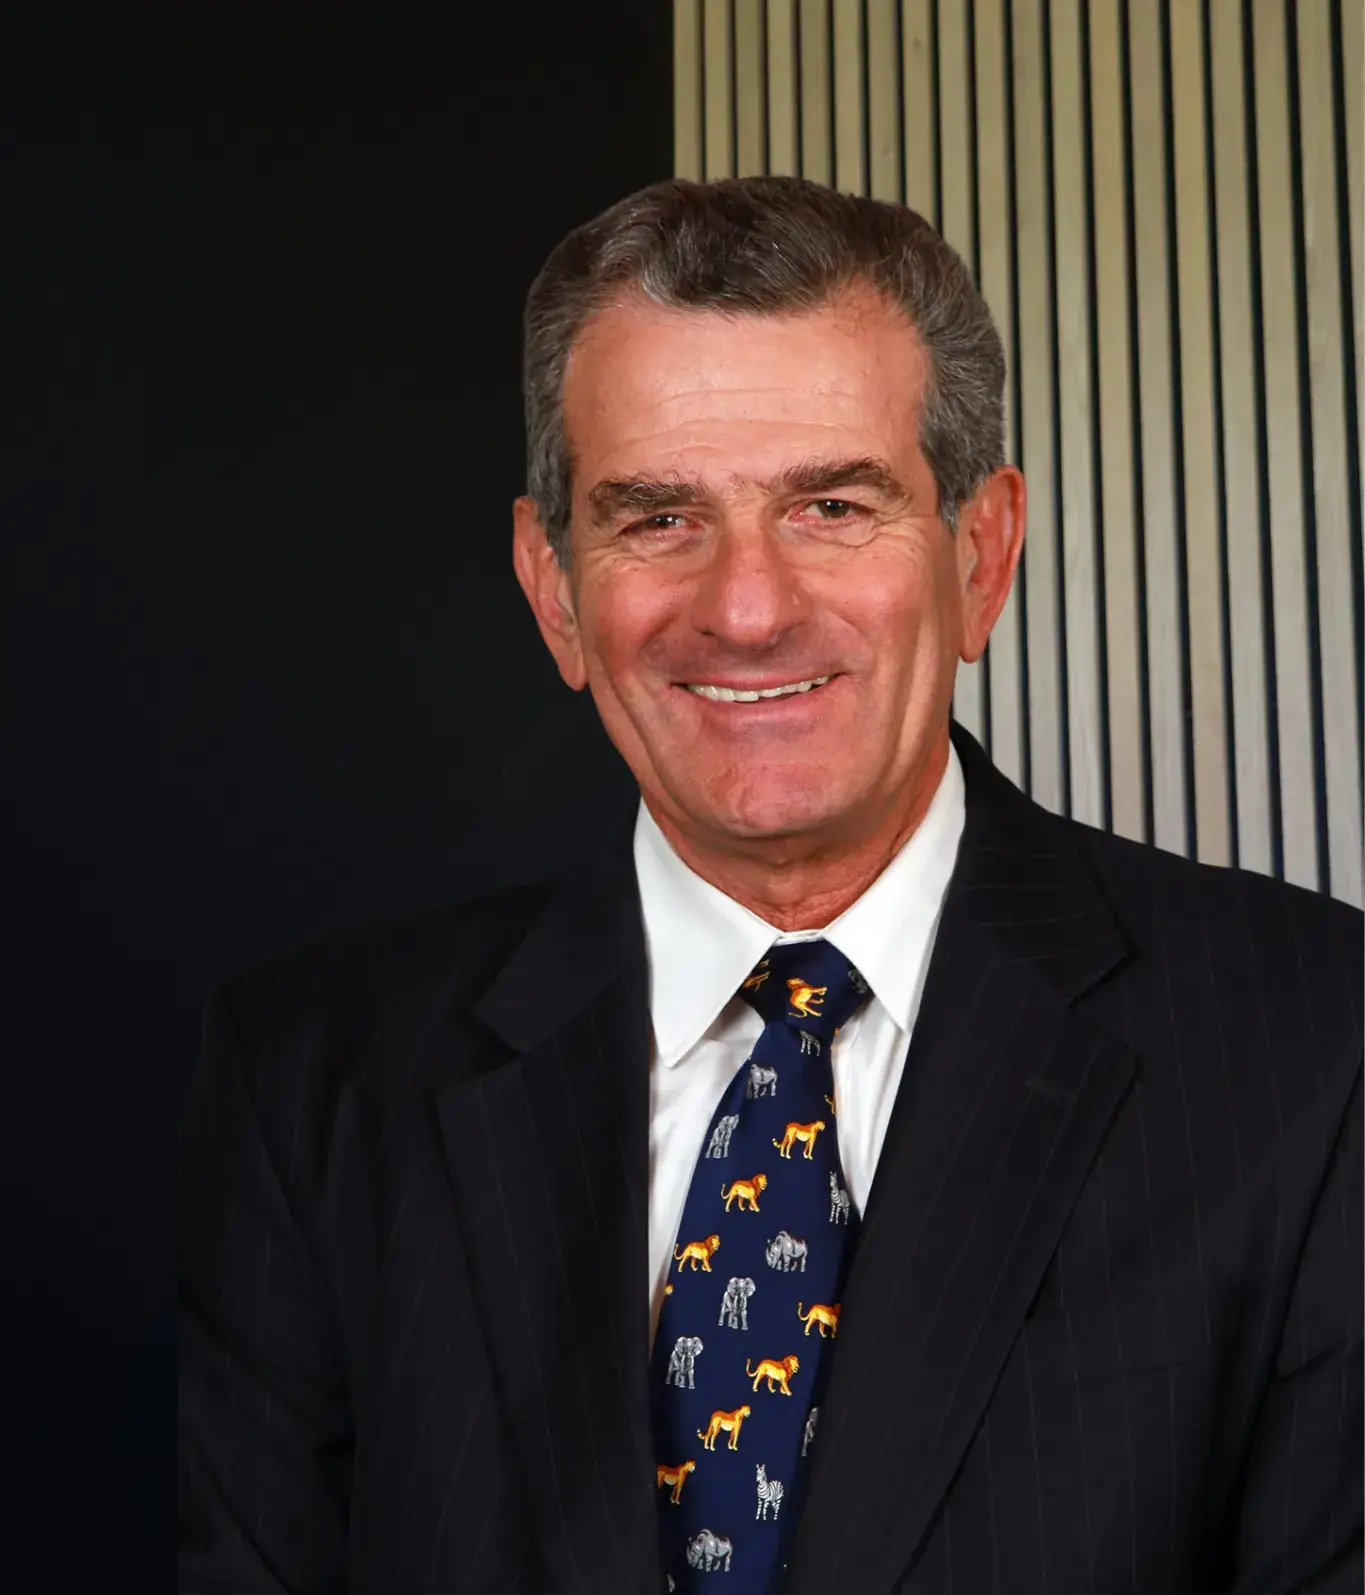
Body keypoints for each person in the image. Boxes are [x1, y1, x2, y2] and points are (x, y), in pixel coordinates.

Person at [177, 177, 1362, 1595]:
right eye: (659, 518)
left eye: (832, 505)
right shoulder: (319, 1079)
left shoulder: (1315, 1045)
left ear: (979, 557)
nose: (745, 606)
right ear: (554, 588)